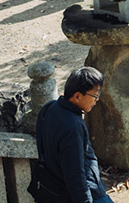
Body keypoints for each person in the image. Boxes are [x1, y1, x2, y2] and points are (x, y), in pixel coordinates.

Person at [33, 66, 113, 203]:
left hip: (53, 185)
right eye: (95, 95)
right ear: (77, 96)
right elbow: (74, 174)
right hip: (86, 193)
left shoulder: (50, 108)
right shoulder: (72, 127)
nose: (97, 99)